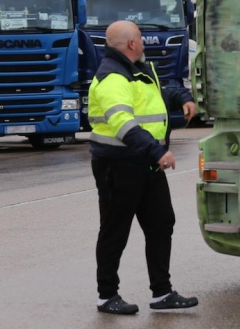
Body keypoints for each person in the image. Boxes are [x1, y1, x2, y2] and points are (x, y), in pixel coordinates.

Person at [88, 20, 199, 315]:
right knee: (115, 231)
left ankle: (162, 293)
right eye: (139, 37)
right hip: (119, 166)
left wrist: (183, 98)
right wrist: (156, 151)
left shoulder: (138, 69)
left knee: (162, 223)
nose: (143, 41)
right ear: (131, 44)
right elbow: (123, 124)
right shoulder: (112, 78)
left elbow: (158, 95)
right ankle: (106, 295)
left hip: (145, 164)